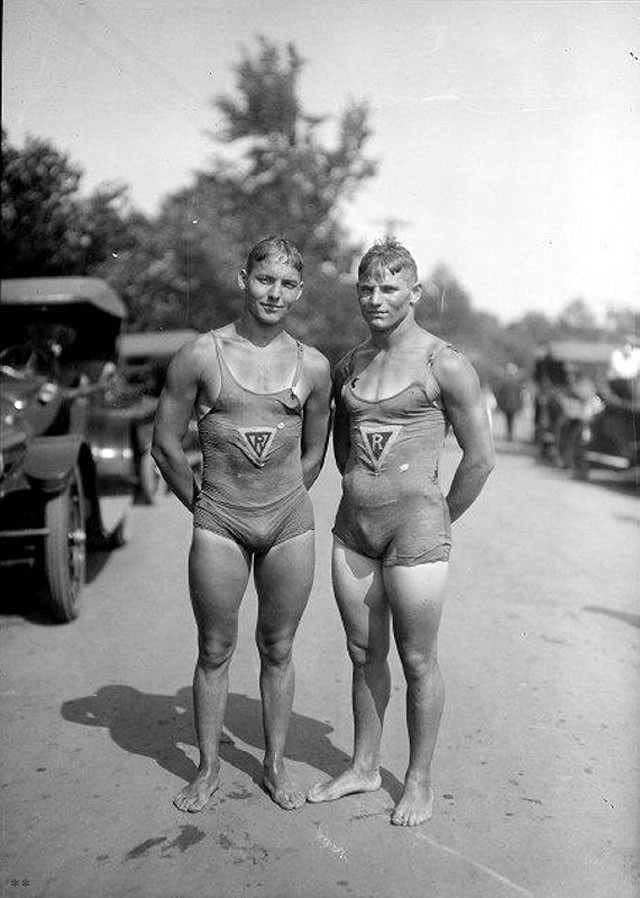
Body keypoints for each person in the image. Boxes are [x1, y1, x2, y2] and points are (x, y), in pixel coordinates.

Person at [307, 239, 494, 826]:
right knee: (364, 653)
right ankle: (364, 767)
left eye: (390, 288)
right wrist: (368, 497)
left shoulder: (446, 363)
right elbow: (345, 454)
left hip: (417, 535)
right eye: (366, 287)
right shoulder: (351, 363)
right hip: (354, 531)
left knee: (417, 661)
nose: (376, 299)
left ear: (414, 294)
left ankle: (418, 780)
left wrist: (435, 518)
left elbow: (480, 458)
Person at [152, 236, 331, 813]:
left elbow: (315, 450)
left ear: (298, 291)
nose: (273, 293)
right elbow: (165, 445)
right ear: (243, 279)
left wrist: (283, 500)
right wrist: (205, 506)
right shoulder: (201, 355)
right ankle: (207, 768)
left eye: (286, 284)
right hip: (220, 520)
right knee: (215, 647)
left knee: (278, 647)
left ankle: (274, 765)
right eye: (264, 280)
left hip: (288, 524)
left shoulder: (313, 365)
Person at [495, 363, 524, 441]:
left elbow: (500, 395)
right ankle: (510, 433)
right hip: (512, 405)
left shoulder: (506, 384)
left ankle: (510, 433)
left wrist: (499, 405)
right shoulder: (516, 384)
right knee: (511, 420)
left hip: (508, 405)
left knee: (509, 420)